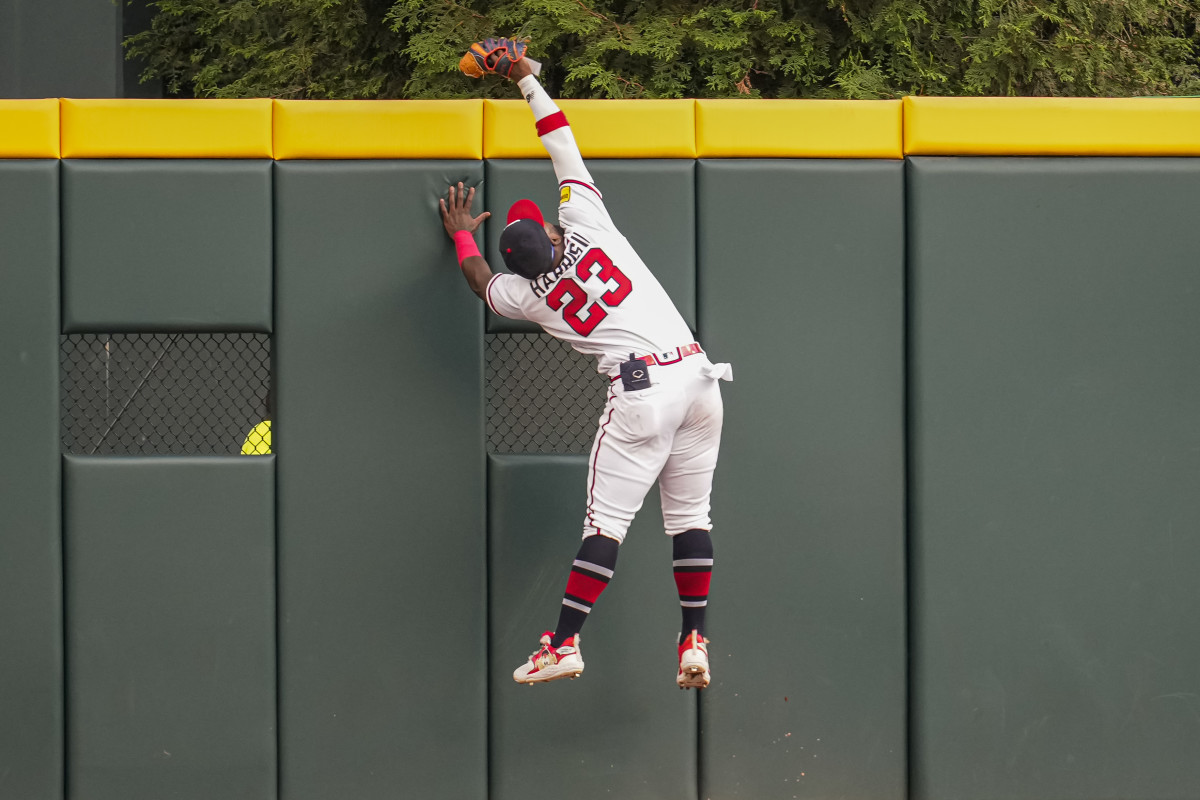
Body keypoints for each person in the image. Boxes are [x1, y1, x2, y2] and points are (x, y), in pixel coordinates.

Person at [440, 38, 732, 690]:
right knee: (690, 520)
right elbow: (559, 139)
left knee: (607, 527)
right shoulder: (588, 224)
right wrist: (524, 79)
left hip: (642, 395)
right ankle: (694, 635)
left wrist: (460, 230)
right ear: (549, 234)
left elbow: (479, 279)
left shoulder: (533, 299)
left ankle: (565, 641)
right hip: (699, 379)